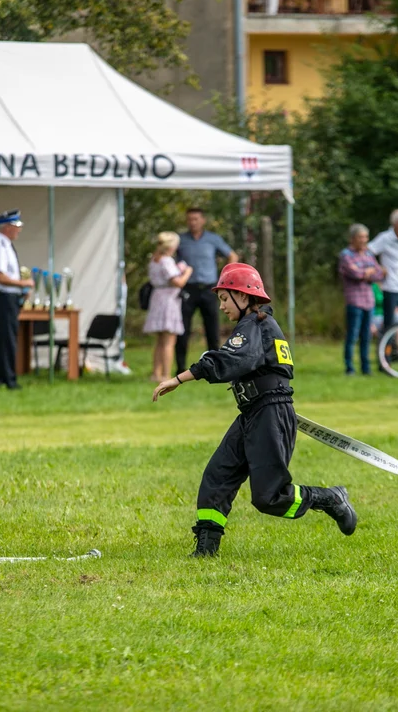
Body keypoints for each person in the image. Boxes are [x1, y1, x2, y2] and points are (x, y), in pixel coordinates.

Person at [151, 263, 357, 558]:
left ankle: (329, 498)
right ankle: (206, 551)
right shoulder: (254, 325)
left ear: (244, 298)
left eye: (225, 298)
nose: (221, 306)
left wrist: (179, 378)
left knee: (270, 497)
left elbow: (230, 362)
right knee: (217, 477)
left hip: (269, 415)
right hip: (254, 412)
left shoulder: (255, 325)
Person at [174, 208, 238, 375]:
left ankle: (214, 366)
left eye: (196, 219)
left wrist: (226, 276)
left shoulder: (213, 239)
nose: (192, 222)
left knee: (212, 328)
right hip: (188, 289)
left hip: (209, 288)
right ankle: (180, 367)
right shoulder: (181, 240)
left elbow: (232, 255)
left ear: (203, 220)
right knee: (182, 329)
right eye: (189, 219)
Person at [0, 209, 29, 390]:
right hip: (4, 297)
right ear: (8, 227)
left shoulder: (6, 245)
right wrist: (22, 283)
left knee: (3, 339)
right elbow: (0, 277)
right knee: (7, 340)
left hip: (9, 297)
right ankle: (9, 379)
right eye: (16, 227)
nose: (19, 231)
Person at [144, 232, 193, 382]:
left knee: (160, 340)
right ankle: (165, 374)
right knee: (169, 341)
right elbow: (177, 282)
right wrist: (187, 272)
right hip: (168, 301)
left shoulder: (154, 260)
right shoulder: (166, 261)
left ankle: (156, 373)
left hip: (157, 299)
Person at [338, 224, 385, 375]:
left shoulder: (368, 254)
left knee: (367, 336)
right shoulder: (346, 255)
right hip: (354, 301)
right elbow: (355, 274)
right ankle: (349, 367)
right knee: (352, 335)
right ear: (352, 239)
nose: (364, 240)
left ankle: (366, 368)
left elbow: (380, 274)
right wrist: (368, 272)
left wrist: (367, 273)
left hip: (368, 301)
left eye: (366, 237)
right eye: (361, 237)